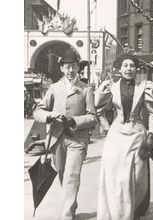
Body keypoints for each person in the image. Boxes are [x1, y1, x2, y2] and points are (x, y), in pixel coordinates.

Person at [94, 54, 153, 220]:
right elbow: (98, 109)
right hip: (116, 136)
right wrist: (107, 128)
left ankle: (134, 210)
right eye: (125, 65)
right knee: (116, 178)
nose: (129, 69)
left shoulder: (145, 86)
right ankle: (118, 214)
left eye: (132, 66)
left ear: (136, 69)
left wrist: (151, 134)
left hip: (137, 134)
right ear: (120, 68)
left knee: (138, 177)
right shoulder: (111, 86)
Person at [33, 49, 97, 220]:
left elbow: (93, 117)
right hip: (57, 139)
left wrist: (75, 120)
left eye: (74, 66)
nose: (70, 70)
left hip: (78, 140)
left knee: (71, 176)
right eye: (67, 67)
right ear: (62, 68)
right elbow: (37, 112)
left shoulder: (86, 89)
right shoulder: (54, 88)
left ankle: (66, 216)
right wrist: (49, 115)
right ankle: (72, 204)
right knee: (63, 175)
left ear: (78, 68)